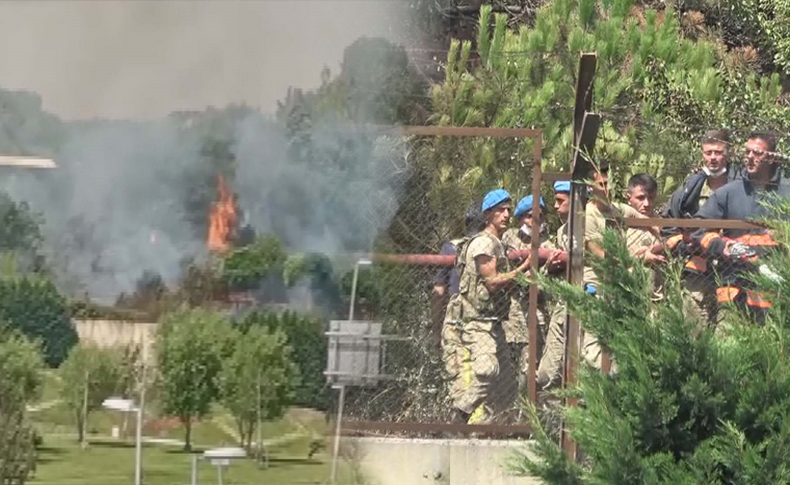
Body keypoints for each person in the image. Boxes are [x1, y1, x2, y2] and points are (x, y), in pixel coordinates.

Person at [443, 188, 531, 424]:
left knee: (507, 388)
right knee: (487, 370)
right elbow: (492, 282)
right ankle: (460, 415)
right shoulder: (483, 243)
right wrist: (523, 269)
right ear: (488, 214)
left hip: (492, 321)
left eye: (508, 210)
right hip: (476, 321)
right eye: (500, 210)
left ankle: (492, 429)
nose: (506, 214)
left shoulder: (496, 243)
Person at [694, 131, 790, 323]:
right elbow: (698, 229)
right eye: (747, 152)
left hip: (777, 295)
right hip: (733, 291)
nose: (750, 158)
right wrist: (726, 247)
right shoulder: (729, 192)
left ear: (771, 158)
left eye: (757, 153)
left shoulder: (787, 192)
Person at [664, 129, 739, 323]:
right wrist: (681, 244)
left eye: (718, 152)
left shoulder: (741, 187)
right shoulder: (691, 188)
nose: (712, 158)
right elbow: (669, 224)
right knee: (693, 334)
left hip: (732, 275)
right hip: (696, 275)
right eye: (708, 152)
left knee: (728, 334)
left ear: (728, 153)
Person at [437, 201, 485, 415]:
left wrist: (435, 321)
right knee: (474, 369)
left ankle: (465, 419)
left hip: (457, 315)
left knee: (459, 369)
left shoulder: (452, 246)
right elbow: (438, 289)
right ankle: (472, 422)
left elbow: (438, 290)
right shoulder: (488, 246)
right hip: (478, 314)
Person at [501, 195, 550, 396]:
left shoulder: (548, 241)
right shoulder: (510, 238)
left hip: (536, 311)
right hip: (513, 312)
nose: (534, 221)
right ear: (521, 217)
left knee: (530, 366)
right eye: (530, 216)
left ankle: (524, 409)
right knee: (508, 366)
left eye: (539, 217)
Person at [536, 181, 572, 389]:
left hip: (587, 302)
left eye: (560, 201)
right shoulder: (562, 232)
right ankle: (553, 418)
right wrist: (551, 267)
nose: (555, 206)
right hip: (562, 305)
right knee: (547, 374)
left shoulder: (592, 225)